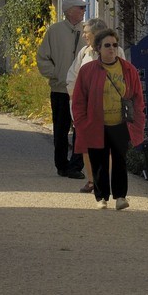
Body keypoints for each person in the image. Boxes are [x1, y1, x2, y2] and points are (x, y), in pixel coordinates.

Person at [70, 28, 146, 210]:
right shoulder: (88, 70)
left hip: (121, 123)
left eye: (114, 45)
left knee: (120, 160)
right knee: (99, 162)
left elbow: (137, 97)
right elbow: (79, 100)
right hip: (96, 124)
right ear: (98, 48)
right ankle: (101, 196)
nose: (111, 48)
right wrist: (81, 123)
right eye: (107, 45)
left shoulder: (128, 69)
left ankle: (120, 196)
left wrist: (138, 120)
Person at [37, 0, 88, 180]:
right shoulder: (55, 31)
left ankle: (76, 165)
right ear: (69, 10)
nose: (83, 11)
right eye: (80, 7)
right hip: (60, 90)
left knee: (81, 129)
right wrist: (57, 75)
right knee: (60, 129)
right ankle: (61, 165)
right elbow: (42, 57)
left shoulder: (87, 31)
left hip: (82, 91)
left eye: (84, 8)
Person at [65, 17, 110, 193]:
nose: (84, 36)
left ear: (97, 34)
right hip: (85, 109)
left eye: (87, 33)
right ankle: (91, 181)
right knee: (86, 146)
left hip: (107, 107)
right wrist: (74, 101)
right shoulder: (84, 52)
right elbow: (72, 77)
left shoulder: (114, 50)